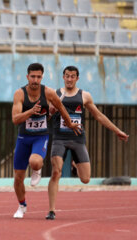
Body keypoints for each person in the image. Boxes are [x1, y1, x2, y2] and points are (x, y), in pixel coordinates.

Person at [46, 66, 129, 220]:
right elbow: (45, 119)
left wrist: (117, 130)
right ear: (63, 77)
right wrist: (50, 112)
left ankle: (74, 164)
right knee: (56, 172)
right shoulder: (54, 95)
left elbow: (99, 116)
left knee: (85, 179)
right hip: (60, 139)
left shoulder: (84, 96)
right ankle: (51, 210)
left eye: (72, 76)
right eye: (67, 76)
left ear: (77, 78)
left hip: (78, 139)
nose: (69, 79)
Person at [11, 63, 81, 219]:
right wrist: (30, 111)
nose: (35, 80)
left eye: (38, 77)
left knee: (35, 161)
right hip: (23, 138)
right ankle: (22, 206)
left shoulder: (48, 92)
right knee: (18, 178)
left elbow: (61, 107)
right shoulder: (20, 94)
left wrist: (69, 123)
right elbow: (15, 119)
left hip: (40, 136)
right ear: (27, 76)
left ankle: (37, 169)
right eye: (32, 77)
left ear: (42, 77)